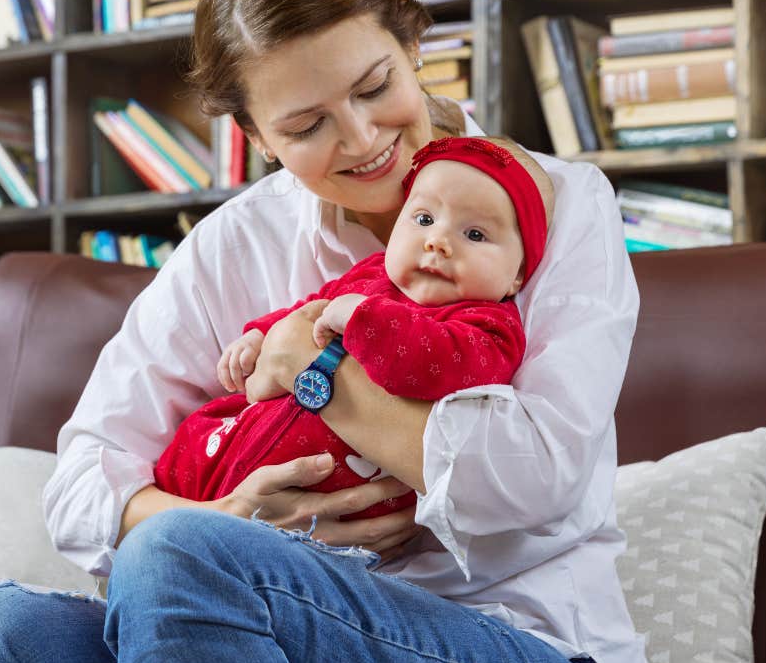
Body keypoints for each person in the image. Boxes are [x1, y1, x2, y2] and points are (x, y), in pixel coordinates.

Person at [0, 0, 647, 663]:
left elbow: (537, 476)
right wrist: (229, 519)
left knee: (185, 558)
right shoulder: (235, 242)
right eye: (307, 126)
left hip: (514, 634)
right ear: (256, 134)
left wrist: (316, 367)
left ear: (412, 47)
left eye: (376, 86)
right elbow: (81, 481)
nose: (364, 137)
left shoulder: (560, 204)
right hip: (263, 618)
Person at [152, 136, 556, 523]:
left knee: (184, 549)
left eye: (475, 234)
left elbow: (439, 365)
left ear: (517, 275)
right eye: (424, 219)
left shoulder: (488, 327)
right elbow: (308, 311)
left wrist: (366, 321)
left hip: (320, 506)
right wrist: (259, 336)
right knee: (174, 491)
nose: (438, 242)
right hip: (237, 442)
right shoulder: (373, 273)